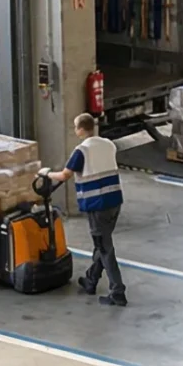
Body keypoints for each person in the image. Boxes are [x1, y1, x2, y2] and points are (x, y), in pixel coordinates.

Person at [47, 112, 127, 305]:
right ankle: (91, 280)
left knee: (105, 247)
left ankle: (118, 291)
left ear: (81, 129)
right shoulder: (109, 144)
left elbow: (65, 175)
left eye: (76, 127)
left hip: (97, 205)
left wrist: (47, 173)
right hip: (115, 201)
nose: (75, 130)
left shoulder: (81, 151)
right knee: (102, 242)